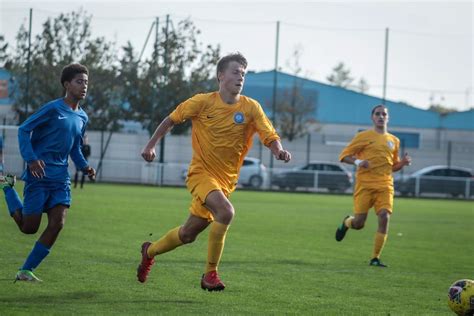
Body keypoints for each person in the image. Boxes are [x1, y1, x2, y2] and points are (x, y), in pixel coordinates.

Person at [137, 52, 291, 291]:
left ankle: (150, 251)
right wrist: (150, 145)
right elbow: (171, 119)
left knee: (188, 234)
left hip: (226, 182)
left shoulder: (251, 108)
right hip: (200, 174)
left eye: (243, 74)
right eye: (235, 72)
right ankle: (210, 275)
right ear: (221, 76)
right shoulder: (202, 102)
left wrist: (279, 150)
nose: (241, 77)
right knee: (226, 212)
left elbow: (269, 134)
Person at [0, 63, 96, 282]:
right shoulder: (53, 109)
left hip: (61, 179)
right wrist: (31, 159)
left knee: (58, 224)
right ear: (66, 84)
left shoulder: (82, 117)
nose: (84, 86)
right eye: (79, 82)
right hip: (39, 176)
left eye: (86, 82)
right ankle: (7, 187)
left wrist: (84, 166)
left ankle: (26, 270)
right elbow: (24, 129)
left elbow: (74, 147)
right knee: (28, 227)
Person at [334, 104, 411, 267]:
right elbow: (343, 156)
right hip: (365, 185)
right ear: (372, 117)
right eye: (378, 114)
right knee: (359, 224)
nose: (381, 116)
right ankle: (348, 222)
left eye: (384, 114)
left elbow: (392, 166)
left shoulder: (394, 141)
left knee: (384, 216)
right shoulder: (363, 136)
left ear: (388, 118)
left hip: (385, 186)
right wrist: (359, 161)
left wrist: (402, 163)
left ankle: (375, 258)